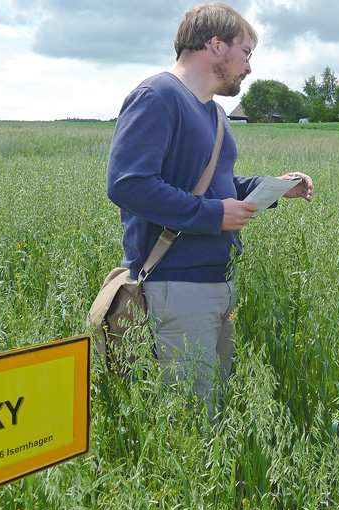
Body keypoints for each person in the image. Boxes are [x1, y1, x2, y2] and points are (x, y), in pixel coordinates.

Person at [106, 3, 313, 417]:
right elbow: (127, 183)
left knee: (215, 412)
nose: (249, 68)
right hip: (176, 287)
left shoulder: (215, 114)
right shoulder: (158, 96)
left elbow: (221, 188)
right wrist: (212, 216)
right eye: (246, 52)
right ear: (216, 46)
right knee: (190, 422)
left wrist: (271, 190)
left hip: (217, 284)